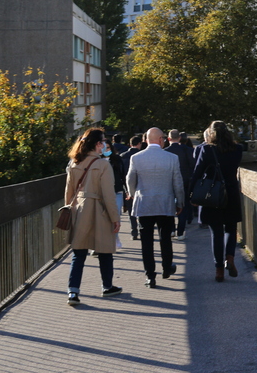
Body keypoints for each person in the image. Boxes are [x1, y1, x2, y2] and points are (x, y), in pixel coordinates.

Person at [64, 127, 122, 306]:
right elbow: (109, 195)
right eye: (103, 141)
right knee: (105, 249)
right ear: (98, 144)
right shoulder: (103, 164)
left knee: (78, 253)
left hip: (80, 209)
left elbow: (69, 191)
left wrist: (69, 210)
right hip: (99, 209)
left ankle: (73, 292)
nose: (105, 144)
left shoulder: (74, 163)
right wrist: (115, 218)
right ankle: (107, 286)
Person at [126, 127, 185, 288]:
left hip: (144, 204)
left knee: (146, 242)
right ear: (161, 140)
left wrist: (133, 194)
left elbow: (130, 179)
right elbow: (178, 183)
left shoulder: (136, 158)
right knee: (165, 238)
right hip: (165, 204)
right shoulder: (172, 158)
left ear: (146, 140)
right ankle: (167, 268)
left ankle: (150, 276)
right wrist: (180, 202)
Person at [190, 120, 242, 282]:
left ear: (211, 133)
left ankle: (219, 269)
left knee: (216, 232)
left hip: (212, 194)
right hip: (231, 193)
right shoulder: (237, 149)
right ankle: (230, 258)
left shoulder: (206, 149)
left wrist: (191, 193)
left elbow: (197, 173)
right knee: (231, 228)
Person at [166, 129, 194, 239]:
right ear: (180, 138)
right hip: (185, 182)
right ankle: (181, 232)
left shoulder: (165, 151)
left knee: (170, 207)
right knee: (184, 206)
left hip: (169, 182)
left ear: (168, 139)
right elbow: (193, 166)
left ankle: (172, 229)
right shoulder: (188, 150)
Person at [120, 135, 144, 240]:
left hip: (127, 186)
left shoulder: (122, 156)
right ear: (139, 144)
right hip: (141, 186)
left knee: (131, 210)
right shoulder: (141, 155)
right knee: (141, 209)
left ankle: (134, 230)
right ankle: (141, 227)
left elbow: (121, 173)